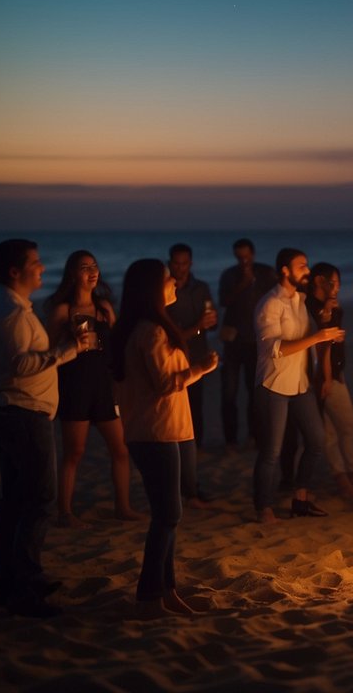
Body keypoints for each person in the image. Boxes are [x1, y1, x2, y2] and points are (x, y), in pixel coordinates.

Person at [0, 239, 93, 617]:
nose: (43, 268)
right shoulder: (10, 313)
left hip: (14, 412)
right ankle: (25, 588)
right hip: (22, 414)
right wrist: (68, 350)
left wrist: (62, 347)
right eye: (36, 263)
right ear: (16, 272)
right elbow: (22, 366)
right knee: (39, 500)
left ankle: (7, 582)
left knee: (13, 502)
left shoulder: (13, 307)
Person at [111, 259, 219, 619]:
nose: (175, 281)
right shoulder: (150, 332)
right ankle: (148, 595)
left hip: (165, 428)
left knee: (169, 513)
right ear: (152, 289)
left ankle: (166, 591)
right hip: (154, 430)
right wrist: (201, 369)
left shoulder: (152, 327)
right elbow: (164, 384)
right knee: (168, 514)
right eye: (167, 278)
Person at [43, 250, 141, 526]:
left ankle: (123, 506)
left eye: (94, 266)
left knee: (120, 449)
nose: (92, 271)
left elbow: (119, 343)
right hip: (74, 385)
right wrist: (69, 338)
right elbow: (47, 351)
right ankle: (65, 512)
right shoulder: (63, 311)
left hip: (104, 386)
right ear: (73, 274)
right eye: (84, 267)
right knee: (74, 452)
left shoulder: (104, 308)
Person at [252, 248, 342, 523]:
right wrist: (317, 337)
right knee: (272, 451)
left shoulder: (301, 300)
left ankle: (300, 498)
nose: (307, 269)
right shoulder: (270, 304)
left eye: (306, 264)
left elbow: (309, 335)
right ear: (285, 271)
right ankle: (264, 507)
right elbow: (275, 349)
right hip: (274, 384)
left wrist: (324, 322)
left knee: (316, 440)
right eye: (301, 266)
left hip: (300, 383)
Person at [306, 262, 353, 500]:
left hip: (333, 371)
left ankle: (349, 472)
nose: (337, 288)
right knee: (342, 424)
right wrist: (327, 377)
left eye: (339, 283)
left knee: (340, 426)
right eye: (333, 282)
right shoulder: (310, 306)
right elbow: (321, 345)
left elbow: (332, 340)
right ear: (319, 282)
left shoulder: (332, 306)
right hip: (322, 374)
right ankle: (345, 474)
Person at [165, 243, 217, 508]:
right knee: (176, 427)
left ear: (191, 264)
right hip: (174, 364)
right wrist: (196, 327)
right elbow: (168, 337)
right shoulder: (166, 293)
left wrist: (210, 321)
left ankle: (191, 480)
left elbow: (211, 320)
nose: (180, 268)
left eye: (184, 263)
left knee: (194, 414)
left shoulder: (200, 288)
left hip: (196, 358)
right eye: (176, 263)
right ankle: (187, 488)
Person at [217, 238, 277, 450]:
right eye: (239, 257)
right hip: (233, 341)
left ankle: (254, 435)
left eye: (246, 256)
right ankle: (231, 440)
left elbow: (276, 300)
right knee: (229, 393)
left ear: (253, 253)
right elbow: (223, 302)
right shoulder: (229, 275)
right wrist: (242, 284)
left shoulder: (267, 273)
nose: (243, 261)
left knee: (255, 393)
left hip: (256, 342)